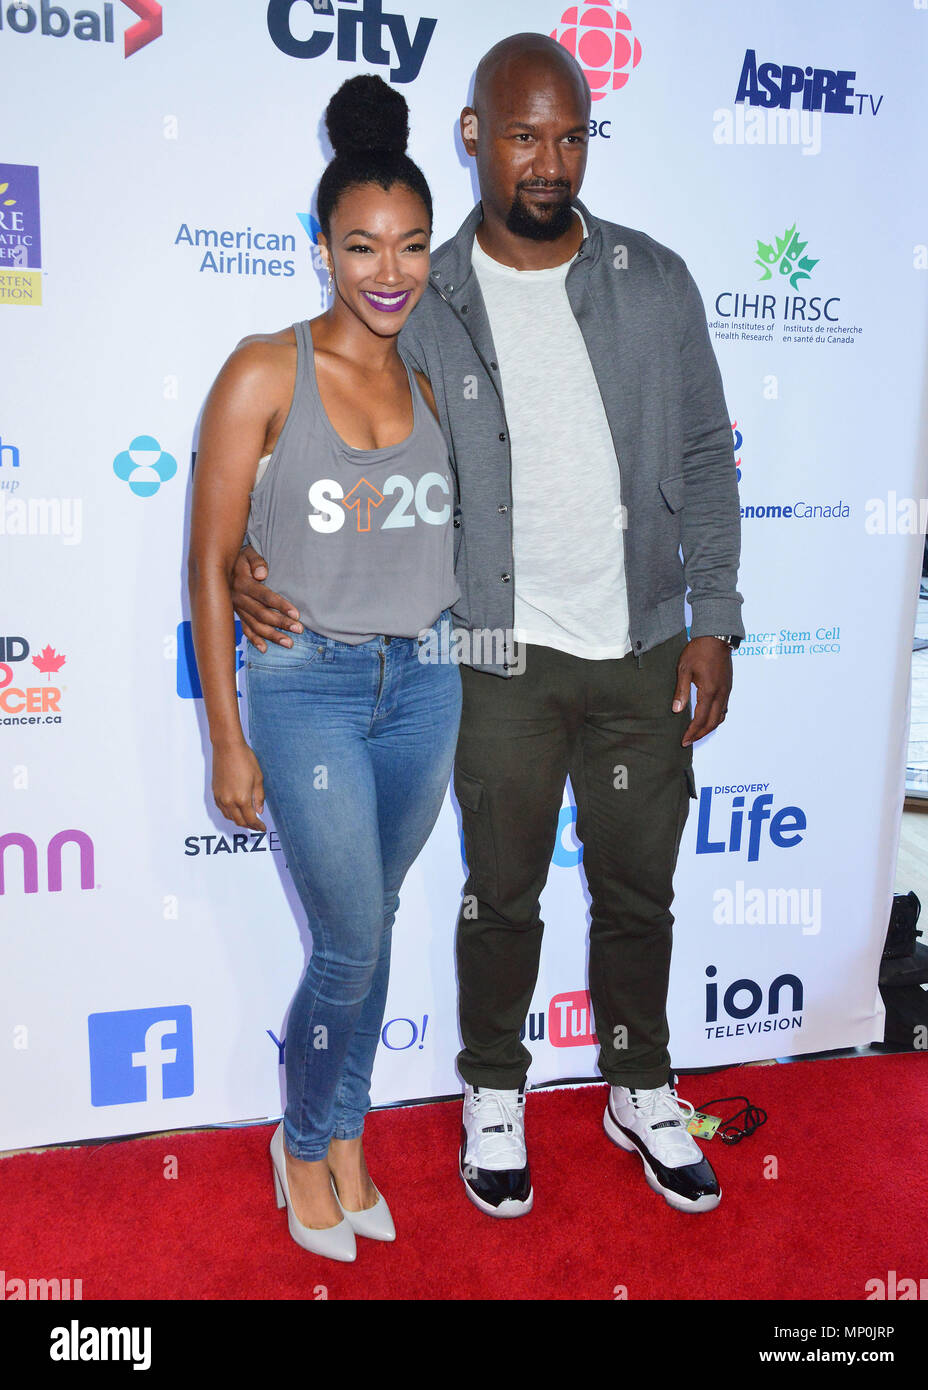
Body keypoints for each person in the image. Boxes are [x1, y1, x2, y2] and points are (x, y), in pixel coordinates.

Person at [232, 34, 744, 1219]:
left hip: (642, 646)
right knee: (498, 892)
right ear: (473, 138)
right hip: (492, 651)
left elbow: (707, 460)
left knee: (635, 891)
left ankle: (639, 1080)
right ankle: (494, 1091)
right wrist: (254, 554)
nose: (548, 160)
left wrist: (712, 619)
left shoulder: (654, 280)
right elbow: (325, 425)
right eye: (522, 135)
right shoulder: (422, 296)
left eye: (569, 136)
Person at [187, 75, 461, 1260]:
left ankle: (345, 1131)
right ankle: (302, 1140)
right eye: (360, 246)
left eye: (408, 245)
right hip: (304, 689)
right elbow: (207, 567)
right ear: (320, 249)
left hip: (429, 687)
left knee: (379, 918)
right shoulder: (263, 369)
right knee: (350, 940)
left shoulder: (441, 370)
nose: (387, 271)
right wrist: (227, 739)